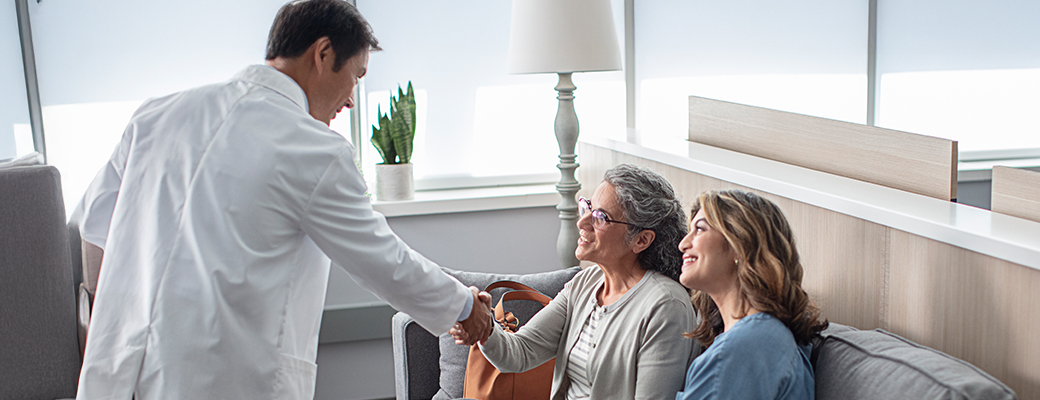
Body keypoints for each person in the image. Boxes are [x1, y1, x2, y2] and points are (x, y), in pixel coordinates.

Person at [74, 1, 492, 399]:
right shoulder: (313, 150)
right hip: (221, 378)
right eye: (357, 76)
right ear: (323, 53)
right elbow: (382, 260)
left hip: (120, 368)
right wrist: (462, 305)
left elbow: (96, 221)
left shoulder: (156, 114)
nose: (350, 99)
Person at [451, 164, 697, 399]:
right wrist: (483, 325)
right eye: (588, 207)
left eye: (600, 217)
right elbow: (519, 352)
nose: (582, 222)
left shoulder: (666, 306)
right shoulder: (585, 283)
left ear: (641, 240)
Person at [675, 189, 828, 400]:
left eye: (700, 229)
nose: (683, 244)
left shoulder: (745, 347)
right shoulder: (759, 338)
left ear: (740, 245)